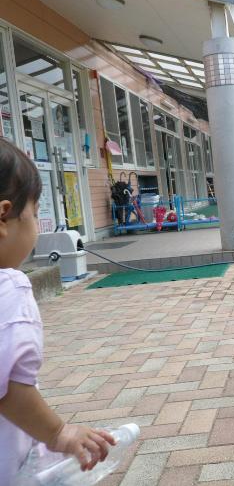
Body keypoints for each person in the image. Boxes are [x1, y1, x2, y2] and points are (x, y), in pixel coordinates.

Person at [0, 138, 115, 482]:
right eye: (34, 214)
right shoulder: (9, 289)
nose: (36, 225)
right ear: (4, 217)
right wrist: (58, 432)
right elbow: (7, 387)